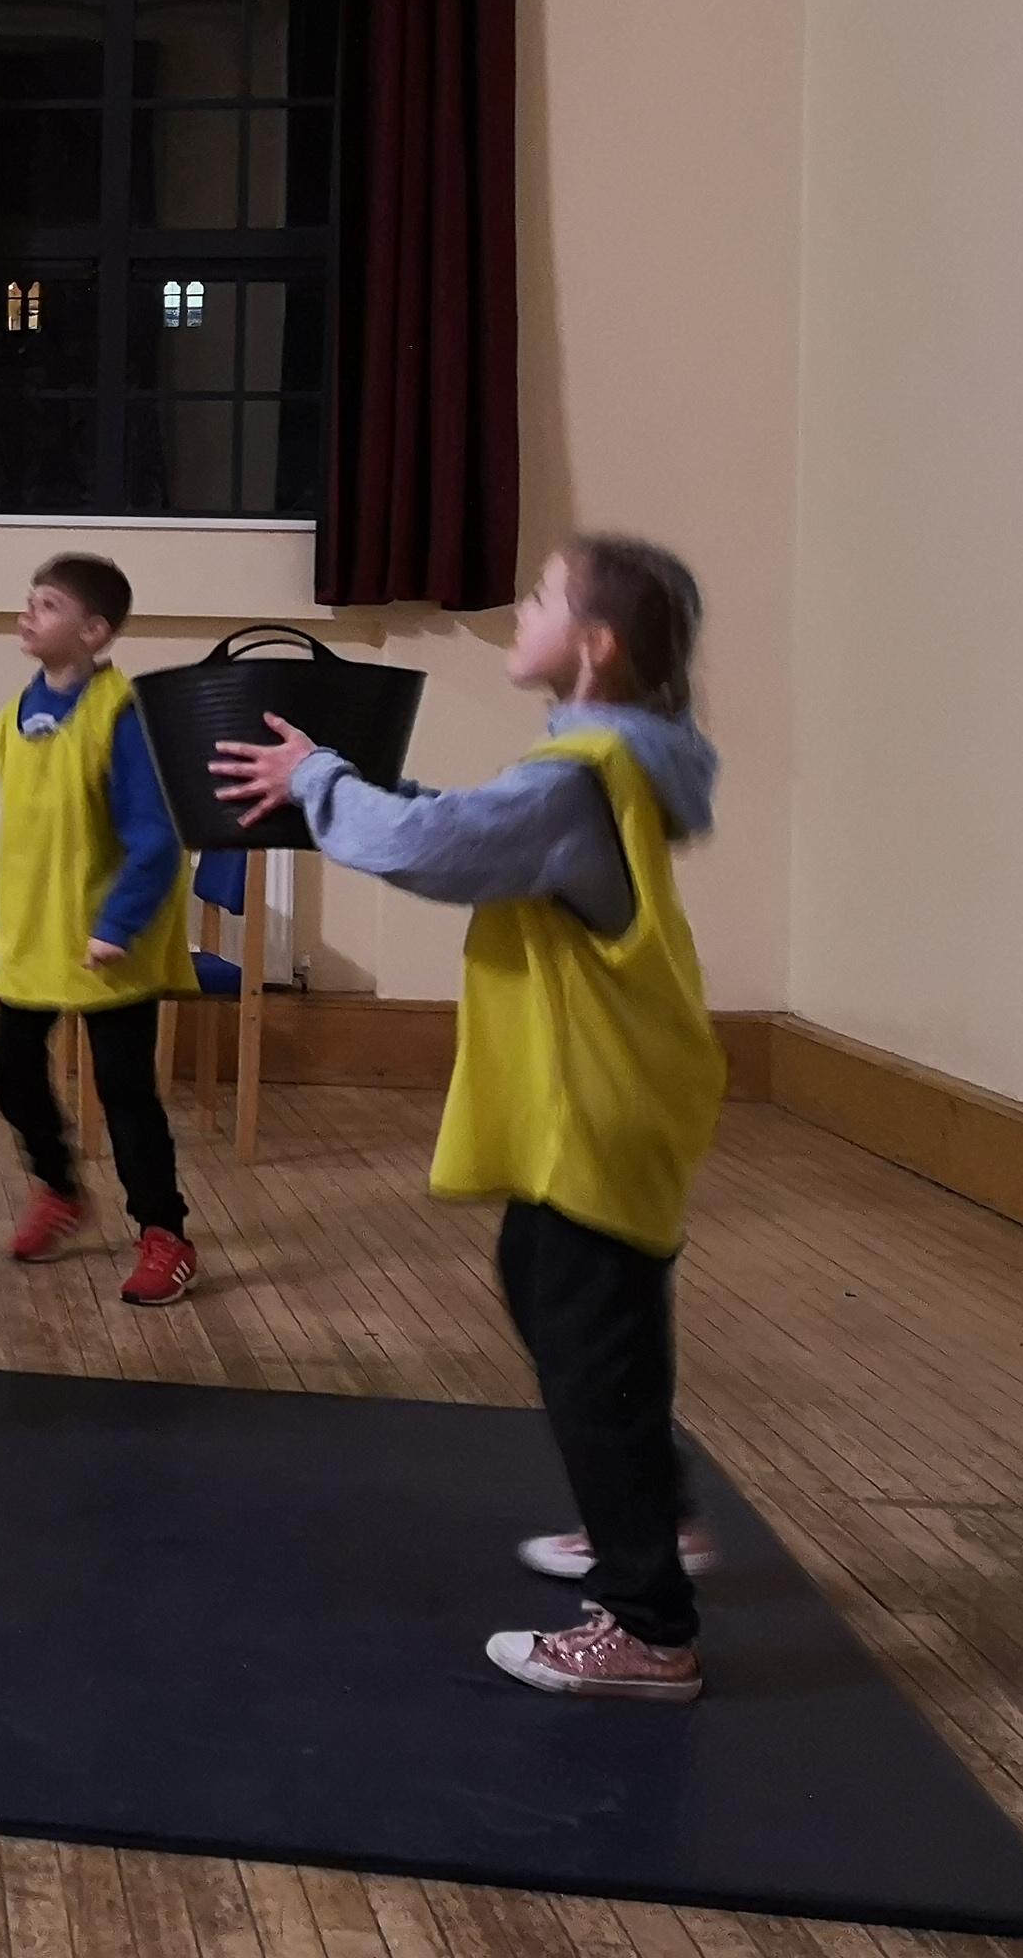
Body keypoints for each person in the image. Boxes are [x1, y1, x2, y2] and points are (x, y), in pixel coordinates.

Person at [216, 536, 724, 1702]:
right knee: (560, 1299)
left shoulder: (580, 777)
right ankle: (654, 1513)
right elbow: (473, 824)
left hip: (600, 1107)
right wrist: (349, 779)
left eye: (541, 596)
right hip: (609, 1101)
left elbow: (433, 848)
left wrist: (321, 783)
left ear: (595, 646)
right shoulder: (596, 768)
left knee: (591, 1345)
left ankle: (649, 1629)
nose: (520, 609)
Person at [0, 553, 200, 1305]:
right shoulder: (13, 717)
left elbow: (156, 837)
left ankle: (165, 1233)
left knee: (126, 1095)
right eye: (30, 599)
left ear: (94, 632)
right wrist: (6, 912)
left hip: (108, 944)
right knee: (12, 1077)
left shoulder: (122, 716)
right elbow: (25, 834)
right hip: (33, 939)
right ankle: (60, 1189)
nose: (28, 613)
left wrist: (119, 924)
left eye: (47, 605)